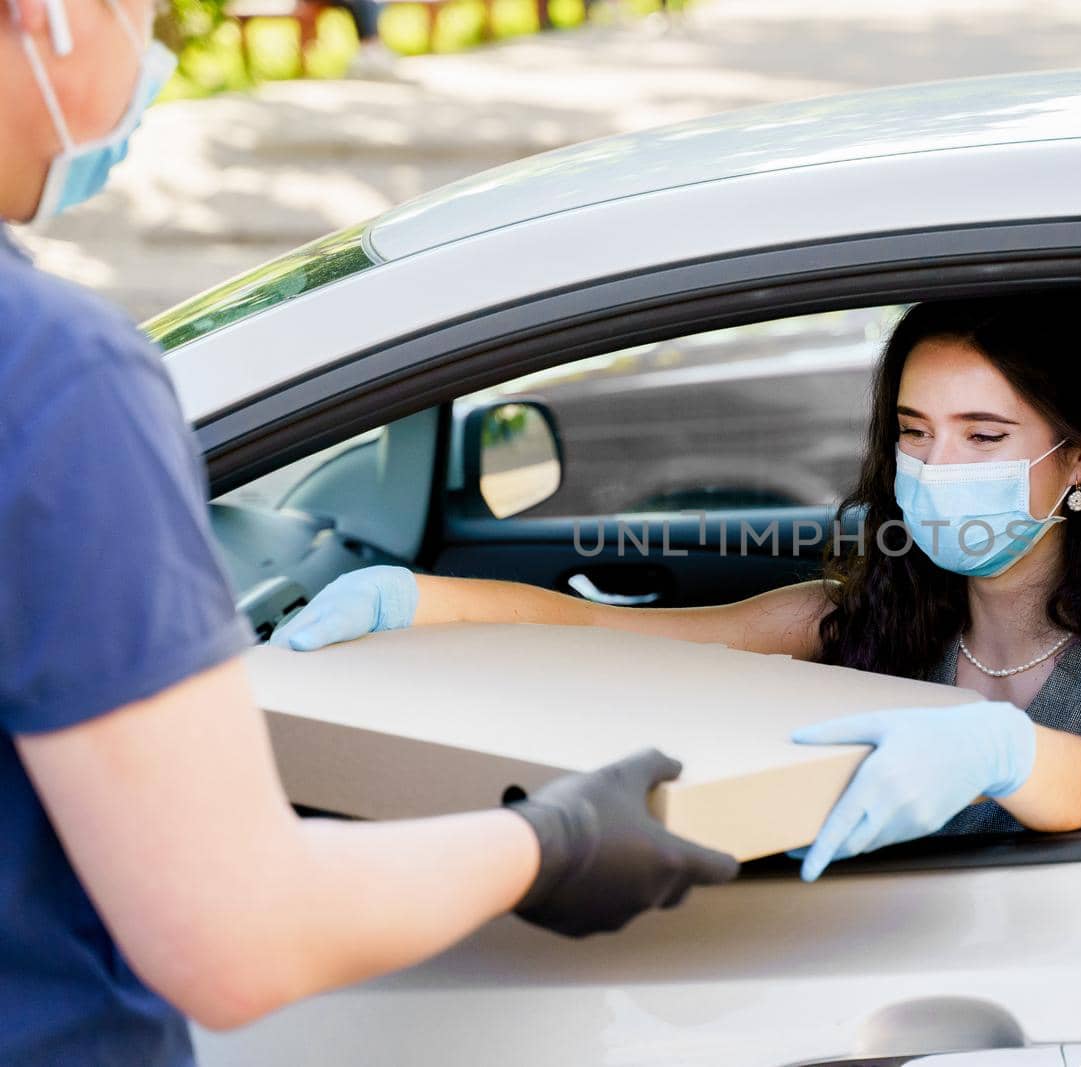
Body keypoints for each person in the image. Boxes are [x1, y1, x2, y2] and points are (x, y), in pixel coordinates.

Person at [0, 0, 736, 1061]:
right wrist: (553, 839)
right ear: (51, 14)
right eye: (144, 10)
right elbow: (235, 927)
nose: (154, 52)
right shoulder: (53, 378)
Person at [278, 292, 1081, 881]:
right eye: (915, 431)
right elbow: (609, 634)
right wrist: (414, 600)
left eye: (983, 437)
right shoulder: (853, 621)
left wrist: (1000, 750)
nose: (935, 467)